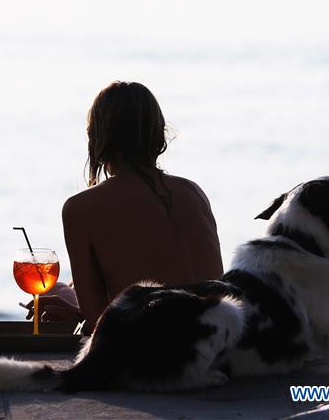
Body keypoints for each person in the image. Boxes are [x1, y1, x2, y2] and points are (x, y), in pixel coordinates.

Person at [31, 81, 224, 332]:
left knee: (58, 289)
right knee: (68, 290)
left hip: (152, 355)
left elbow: (97, 325)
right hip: (216, 342)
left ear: (98, 137)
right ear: (158, 134)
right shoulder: (194, 193)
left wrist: (79, 315)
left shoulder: (81, 208)